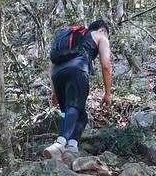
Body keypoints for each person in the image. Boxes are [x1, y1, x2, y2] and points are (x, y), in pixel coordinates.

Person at [44, 19, 112, 159]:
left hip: (57, 74)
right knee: (74, 106)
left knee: (81, 115)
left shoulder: (71, 38)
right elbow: (106, 65)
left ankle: (72, 149)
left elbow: (51, 65)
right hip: (78, 69)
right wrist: (107, 93)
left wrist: (54, 90)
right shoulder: (100, 36)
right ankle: (60, 143)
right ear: (102, 30)